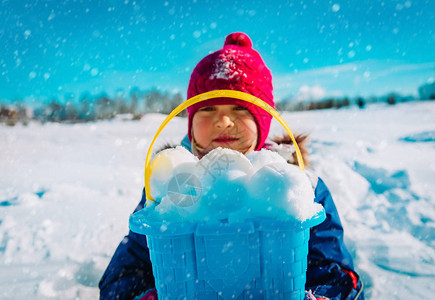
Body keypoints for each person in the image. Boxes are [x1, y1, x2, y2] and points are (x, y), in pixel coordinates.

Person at [99, 32, 364, 300]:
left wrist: (323, 295)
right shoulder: (171, 187)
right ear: (190, 122)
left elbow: (333, 271)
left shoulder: (302, 188)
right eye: (208, 108)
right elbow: (127, 271)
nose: (224, 121)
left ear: (262, 120)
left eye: (239, 108)